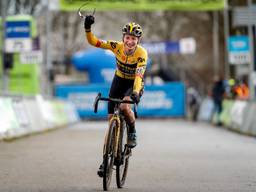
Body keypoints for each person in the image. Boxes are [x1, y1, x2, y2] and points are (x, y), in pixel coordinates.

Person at [83, 15, 148, 177]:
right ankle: (105, 161)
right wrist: (87, 28)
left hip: (133, 84)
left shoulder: (141, 53)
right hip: (118, 81)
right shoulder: (116, 46)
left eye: (134, 38)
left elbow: (139, 75)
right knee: (111, 120)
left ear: (138, 40)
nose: (130, 41)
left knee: (125, 107)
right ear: (123, 38)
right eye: (128, 38)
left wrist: (135, 92)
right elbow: (94, 42)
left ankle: (132, 130)